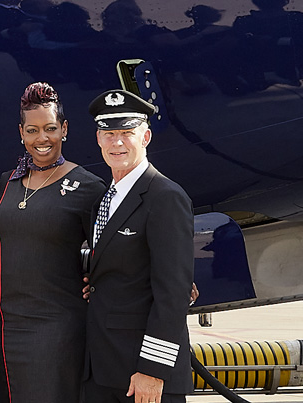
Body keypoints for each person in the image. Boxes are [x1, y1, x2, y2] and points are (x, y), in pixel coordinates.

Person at [0, 82, 106, 403]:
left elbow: (112, 251)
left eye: (51, 129)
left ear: (64, 129)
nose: (42, 139)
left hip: (56, 331)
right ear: (21, 133)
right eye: (33, 130)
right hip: (3, 330)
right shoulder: (7, 183)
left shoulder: (87, 187)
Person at [83, 89, 194, 403]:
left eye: (127, 133)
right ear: (98, 139)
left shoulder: (165, 197)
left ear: (146, 136)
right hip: (104, 368)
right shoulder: (106, 199)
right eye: (109, 133)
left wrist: (153, 370)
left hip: (141, 374)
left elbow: (173, 292)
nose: (117, 142)